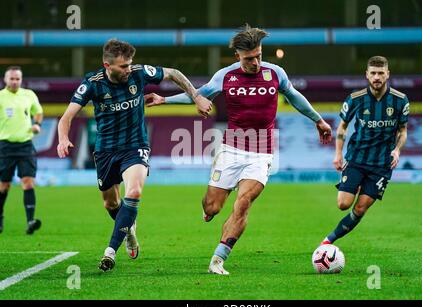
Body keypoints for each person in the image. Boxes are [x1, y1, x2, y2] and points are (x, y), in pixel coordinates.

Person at [145, 25, 333, 275]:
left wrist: (318, 120)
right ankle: (211, 207)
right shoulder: (225, 76)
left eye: (259, 56)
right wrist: (164, 100)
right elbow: (200, 96)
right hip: (231, 150)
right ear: (238, 57)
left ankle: (218, 259)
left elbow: (295, 96)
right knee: (212, 207)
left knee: (243, 203)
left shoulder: (275, 73)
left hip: (261, 153)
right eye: (249, 59)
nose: (255, 62)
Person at [57, 39, 212, 272]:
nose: (128, 69)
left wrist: (196, 96)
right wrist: (62, 138)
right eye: (123, 66)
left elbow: (173, 73)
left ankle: (110, 252)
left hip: (135, 145)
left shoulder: (139, 73)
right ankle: (129, 227)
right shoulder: (92, 83)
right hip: (106, 149)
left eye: (130, 64)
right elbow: (66, 116)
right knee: (110, 202)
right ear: (107, 65)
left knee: (135, 191)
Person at [321, 56, 409, 246]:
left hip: (381, 165)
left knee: (360, 209)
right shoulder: (355, 99)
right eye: (373, 73)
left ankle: (328, 242)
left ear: (388, 74)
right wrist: (337, 154)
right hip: (357, 159)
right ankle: (357, 184)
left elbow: (403, 131)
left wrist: (397, 150)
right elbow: (342, 127)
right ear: (367, 75)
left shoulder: (400, 101)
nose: (377, 77)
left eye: (381, 73)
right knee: (343, 204)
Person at [0, 66, 43, 235]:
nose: (15, 81)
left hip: (25, 145)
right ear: (5, 79)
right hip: (5, 146)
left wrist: (37, 124)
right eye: (12, 78)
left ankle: (30, 221)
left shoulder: (29, 95)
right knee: (4, 185)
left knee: (28, 181)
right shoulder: (1, 97)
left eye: (17, 78)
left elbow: (38, 112)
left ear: (21, 79)